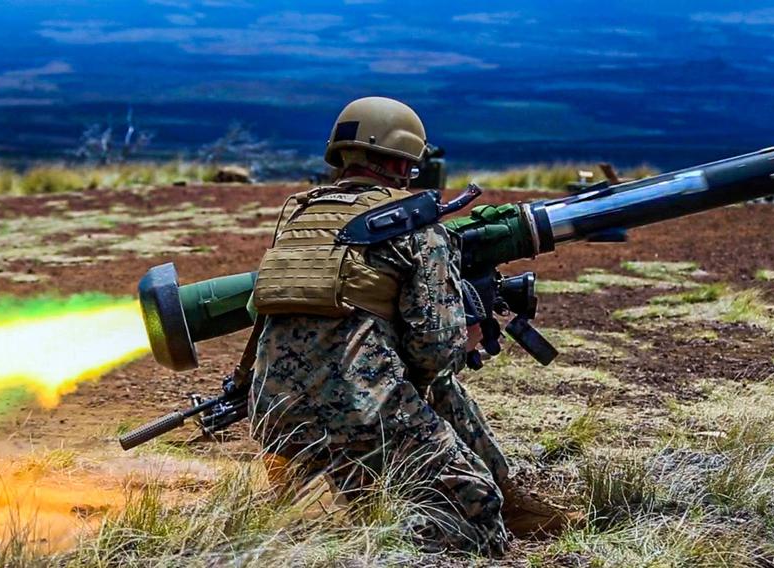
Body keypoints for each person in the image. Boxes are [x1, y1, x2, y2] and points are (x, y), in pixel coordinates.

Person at [248, 96, 580, 555]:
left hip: (274, 414)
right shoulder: (415, 226)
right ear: (406, 162)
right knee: (478, 512)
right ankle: (364, 544)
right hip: (359, 416)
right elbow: (434, 352)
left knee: (429, 404)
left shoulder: (297, 217)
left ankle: (353, 498)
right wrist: (466, 337)